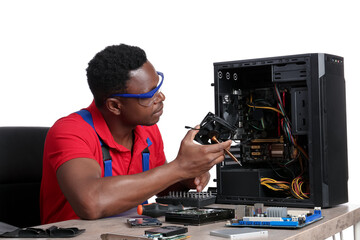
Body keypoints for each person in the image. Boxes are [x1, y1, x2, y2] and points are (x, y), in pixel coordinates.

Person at [40, 44, 231, 224]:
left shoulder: (146, 130)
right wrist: (178, 168)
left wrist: (188, 177)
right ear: (115, 105)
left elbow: (160, 184)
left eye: (158, 86)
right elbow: (90, 202)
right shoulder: (70, 132)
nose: (161, 97)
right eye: (149, 94)